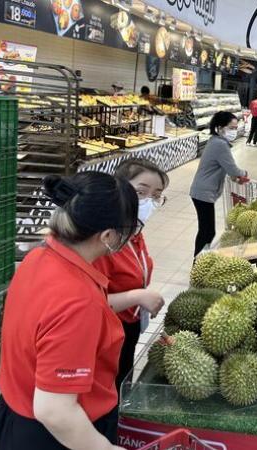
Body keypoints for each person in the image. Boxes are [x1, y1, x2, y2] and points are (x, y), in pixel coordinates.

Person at [0, 171, 138, 450]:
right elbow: (55, 411)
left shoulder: (39, 257)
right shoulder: (78, 301)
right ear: (108, 236)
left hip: (14, 415)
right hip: (59, 437)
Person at [93, 158, 168, 394]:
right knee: (108, 391)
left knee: (121, 385)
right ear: (119, 189)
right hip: (105, 335)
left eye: (156, 195)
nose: (149, 201)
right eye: (141, 192)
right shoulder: (105, 241)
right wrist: (137, 296)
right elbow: (91, 303)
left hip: (128, 328)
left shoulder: (134, 232)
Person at [190, 111, 249, 256]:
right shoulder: (220, 145)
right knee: (207, 232)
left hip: (202, 191)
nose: (234, 131)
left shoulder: (216, 141)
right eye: (231, 128)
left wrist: (235, 176)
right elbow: (232, 168)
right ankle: (197, 263)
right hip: (203, 192)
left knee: (206, 230)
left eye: (236, 128)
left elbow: (225, 167)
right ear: (220, 127)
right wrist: (243, 174)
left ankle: (198, 261)